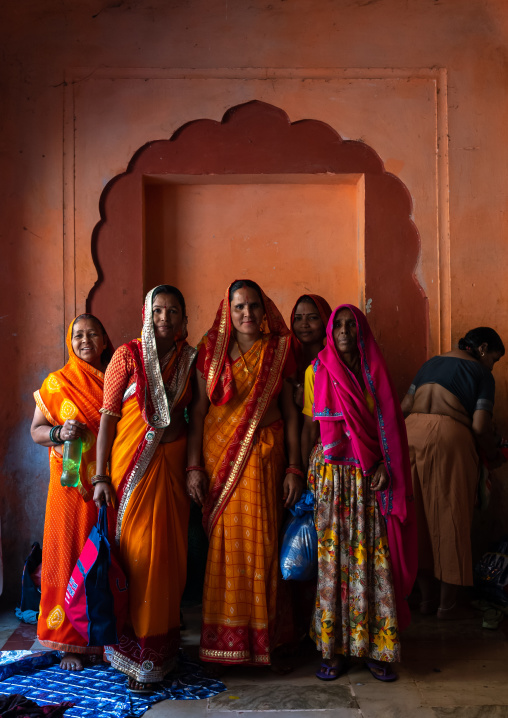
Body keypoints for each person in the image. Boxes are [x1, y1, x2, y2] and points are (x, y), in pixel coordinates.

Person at [187, 279, 303, 671]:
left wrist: (293, 467)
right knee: (224, 549)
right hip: (220, 461)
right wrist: (194, 466)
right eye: (239, 307)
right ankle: (227, 641)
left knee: (264, 546)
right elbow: (199, 411)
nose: (247, 314)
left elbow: (290, 414)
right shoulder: (210, 350)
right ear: (228, 310)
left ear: (265, 308)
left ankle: (266, 640)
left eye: (254, 305)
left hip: (266, 458)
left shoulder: (278, 349)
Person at [302, 304, 417, 682]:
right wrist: (303, 472)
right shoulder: (317, 370)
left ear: (362, 331)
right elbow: (310, 428)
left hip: (369, 480)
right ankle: (333, 650)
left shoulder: (375, 373)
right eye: (340, 326)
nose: (346, 331)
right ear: (330, 332)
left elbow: (390, 429)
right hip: (333, 477)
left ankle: (377, 648)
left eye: (353, 325)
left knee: (370, 561)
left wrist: (385, 467)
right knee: (333, 565)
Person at [94, 285, 197, 692]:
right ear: (146, 314)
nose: (165, 318)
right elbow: (108, 417)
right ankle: (132, 650)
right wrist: (101, 476)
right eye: (158, 311)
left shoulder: (191, 359)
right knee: (136, 555)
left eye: (173, 312)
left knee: (168, 558)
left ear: (184, 320)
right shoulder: (127, 355)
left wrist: (192, 467)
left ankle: (160, 650)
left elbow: (193, 418)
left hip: (171, 468)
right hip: (130, 469)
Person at [402, 327, 505, 619]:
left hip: (410, 434)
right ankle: (445, 607)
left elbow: (405, 406)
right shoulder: (482, 374)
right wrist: (495, 454)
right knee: (450, 520)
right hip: (449, 438)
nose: (492, 366)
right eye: (494, 359)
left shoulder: (430, 363)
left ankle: (423, 601)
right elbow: (480, 426)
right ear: (483, 348)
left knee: (417, 518)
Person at [31, 314, 112, 671]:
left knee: (106, 556)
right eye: (78, 334)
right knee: (67, 557)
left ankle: (109, 637)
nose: (85, 340)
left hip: (107, 484)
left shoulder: (115, 380)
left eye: (92, 333)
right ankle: (70, 643)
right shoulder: (57, 383)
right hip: (67, 489)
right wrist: (59, 434)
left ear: (105, 340)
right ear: (69, 340)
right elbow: (36, 431)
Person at [290, 294, 332, 408]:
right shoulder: (287, 359)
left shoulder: (334, 362)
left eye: (312, 317)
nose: (304, 324)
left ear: (325, 320)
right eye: (298, 318)